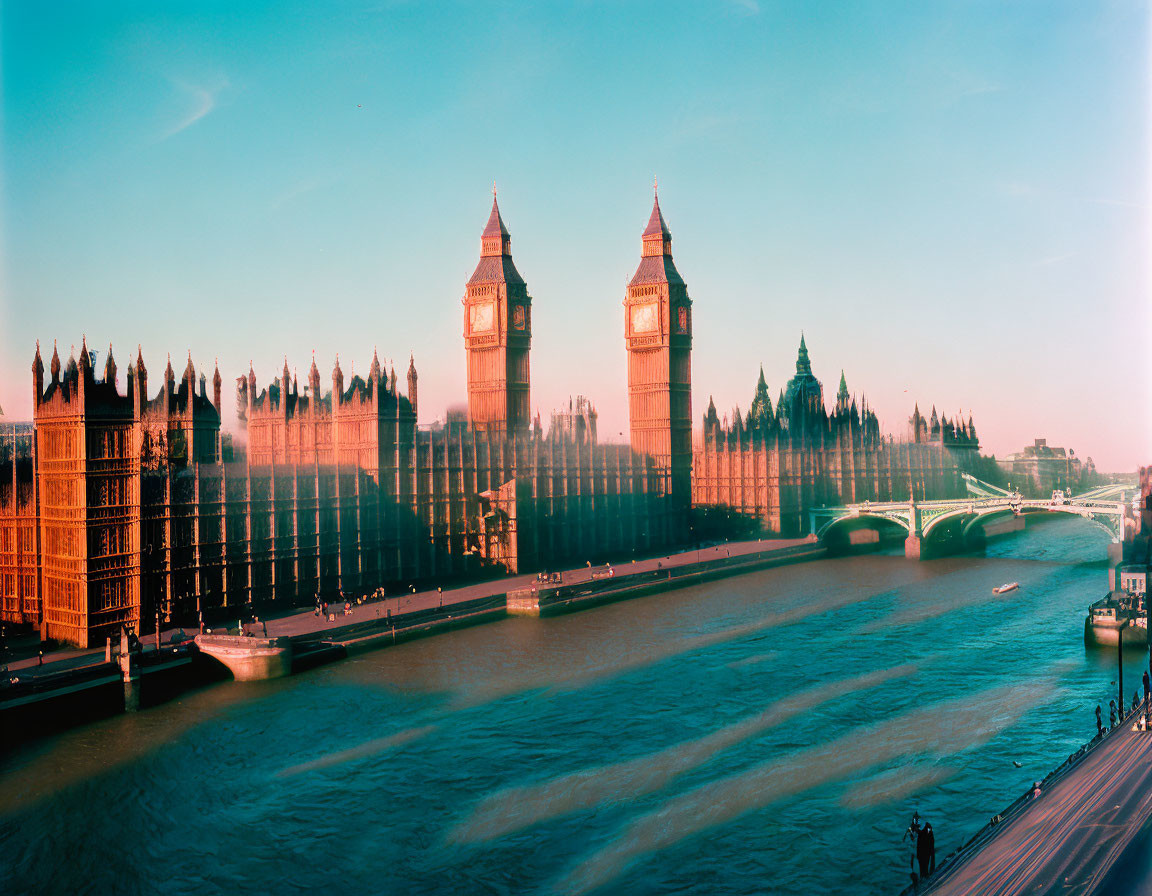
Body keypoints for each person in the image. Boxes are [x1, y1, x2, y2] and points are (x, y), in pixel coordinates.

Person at [903, 812, 921, 880]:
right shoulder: (913, 828)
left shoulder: (913, 828)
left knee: (913, 858)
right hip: (914, 844)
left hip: (914, 844)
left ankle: (914, 872)